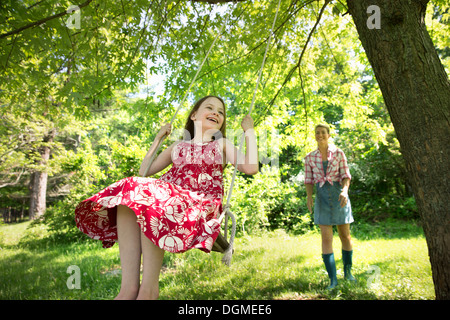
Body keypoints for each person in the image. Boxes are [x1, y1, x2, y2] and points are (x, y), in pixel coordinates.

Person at [75, 96, 258, 299]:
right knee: (130, 189)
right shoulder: (177, 147)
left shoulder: (221, 144)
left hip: (197, 205)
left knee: (149, 195)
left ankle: (149, 290)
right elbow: (143, 172)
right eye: (210, 108)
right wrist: (158, 139)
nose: (216, 113)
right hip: (164, 201)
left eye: (221, 112)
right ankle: (128, 289)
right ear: (194, 115)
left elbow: (251, 167)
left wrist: (249, 131)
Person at [304, 123, 356, 290]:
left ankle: (348, 274)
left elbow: (346, 176)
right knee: (326, 238)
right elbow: (309, 180)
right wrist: (309, 197)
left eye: (323, 133)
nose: (320, 135)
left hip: (339, 195)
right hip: (321, 198)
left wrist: (345, 191)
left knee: (345, 236)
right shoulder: (309, 157)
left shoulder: (339, 153)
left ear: (328, 135)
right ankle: (333, 280)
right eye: (317, 133)